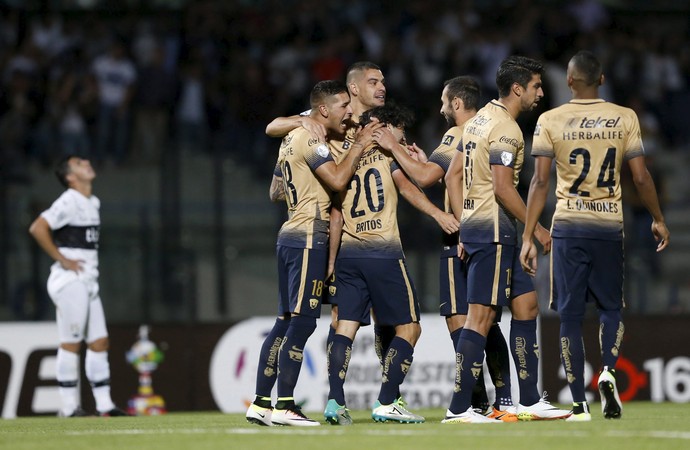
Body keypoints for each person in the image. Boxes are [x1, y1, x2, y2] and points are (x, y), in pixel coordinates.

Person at [520, 50, 670, 422]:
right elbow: (640, 177)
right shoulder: (624, 117)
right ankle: (608, 370)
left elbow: (539, 181)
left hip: (569, 227)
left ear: (569, 81)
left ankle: (578, 402)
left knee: (570, 315)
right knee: (610, 307)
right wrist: (657, 218)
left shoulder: (550, 119)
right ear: (602, 80)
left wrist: (528, 235)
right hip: (609, 226)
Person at [266, 62, 408, 409]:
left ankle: (388, 394)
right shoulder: (330, 120)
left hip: (368, 236)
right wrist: (301, 121)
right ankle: (335, 398)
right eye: (374, 81)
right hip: (330, 239)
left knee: (381, 319)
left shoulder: (380, 126)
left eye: (384, 81)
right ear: (354, 89)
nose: (382, 87)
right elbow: (273, 127)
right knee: (333, 318)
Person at [442, 56, 571, 424]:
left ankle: (529, 400)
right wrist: (538, 230)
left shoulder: (478, 120)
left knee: (527, 305)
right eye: (536, 86)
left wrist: (464, 223)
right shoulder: (506, 129)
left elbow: (453, 175)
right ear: (518, 89)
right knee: (480, 318)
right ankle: (458, 409)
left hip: (486, 230)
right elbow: (502, 188)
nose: (541, 93)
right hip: (495, 232)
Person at [245, 80, 380, 427]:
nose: (348, 112)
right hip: (309, 235)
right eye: (342, 106)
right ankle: (286, 404)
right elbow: (335, 179)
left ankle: (261, 401)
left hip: (289, 234)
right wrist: (359, 146)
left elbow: (275, 190)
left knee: (285, 321)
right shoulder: (311, 137)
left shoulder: (293, 135)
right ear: (323, 109)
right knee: (303, 321)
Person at [383, 76, 517, 421]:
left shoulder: (459, 133)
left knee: (468, 323)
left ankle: (485, 402)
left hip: (461, 238)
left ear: (457, 103)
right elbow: (448, 175)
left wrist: (392, 146)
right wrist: (428, 161)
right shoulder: (486, 130)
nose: (441, 108)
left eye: (445, 101)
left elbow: (427, 176)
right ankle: (492, 401)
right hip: (480, 233)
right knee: (481, 321)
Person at [325, 102, 458, 425]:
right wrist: (439, 214)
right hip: (383, 252)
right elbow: (408, 187)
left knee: (345, 326)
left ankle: (334, 401)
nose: (401, 140)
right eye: (399, 133)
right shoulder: (385, 154)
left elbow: (336, 209)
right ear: (385, 128)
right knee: (410, 327)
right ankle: (387, 401)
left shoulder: (341, 152)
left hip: (347, 253)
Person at [28, 156, 128, 417]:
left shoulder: (92, 202)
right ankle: (69, 407)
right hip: (70, 282)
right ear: (70, 177)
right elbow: (38, 228)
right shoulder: (69, 200)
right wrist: (62, 259)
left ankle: (105, 405)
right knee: (71, 342)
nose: (86, 163)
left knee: (99, 342)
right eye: (78, 163)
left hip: (87, 281)